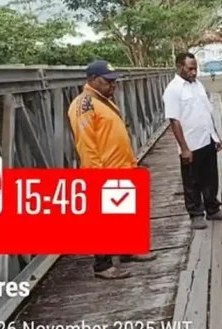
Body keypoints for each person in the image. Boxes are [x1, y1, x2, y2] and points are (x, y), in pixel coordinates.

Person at [67, 59, 157, 279]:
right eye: (107, 81)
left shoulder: (103, 99)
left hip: (121, 167)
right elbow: (87, 146)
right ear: (92, 80)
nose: (112, 85)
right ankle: (102, 265)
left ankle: (127, 251)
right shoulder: (84, 105)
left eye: (113, 81)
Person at [163, 52, 222, 229]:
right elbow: (174, 120)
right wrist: (184, 148)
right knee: (192, 180)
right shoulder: (173, 89)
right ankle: (195, 214)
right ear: (179, 67)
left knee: (210, 176)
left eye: (196, 69)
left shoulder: (198, 85)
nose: (194, 73)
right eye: (190, 69)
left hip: (206, 138)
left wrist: (216, 137)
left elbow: (206, 113)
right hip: (190, 142)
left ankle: (212, 209)